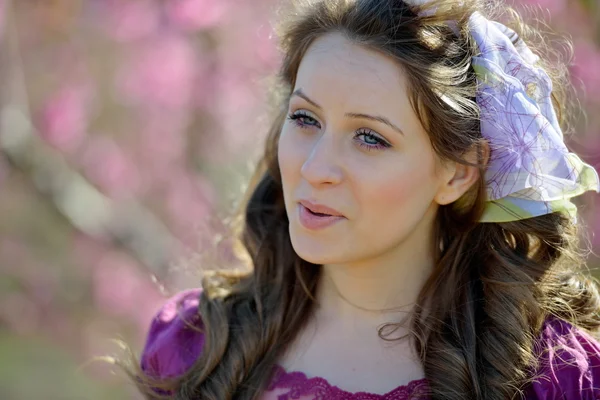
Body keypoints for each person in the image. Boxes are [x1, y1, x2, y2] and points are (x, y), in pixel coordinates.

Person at [123, 0, 600, 398]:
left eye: (370, 138)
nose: (314, 169)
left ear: (459, 173)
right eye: (305, 119)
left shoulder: (553, 379)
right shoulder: (198, 348)